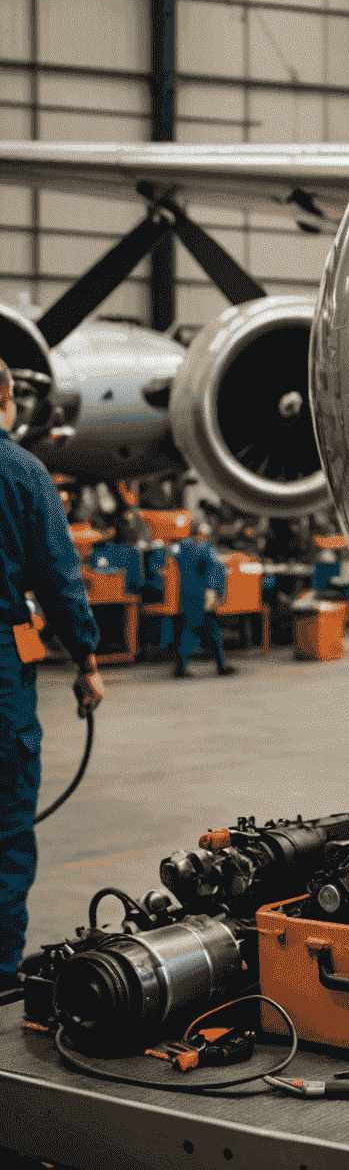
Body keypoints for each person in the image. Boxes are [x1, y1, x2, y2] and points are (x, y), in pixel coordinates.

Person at [0, 360, 102, 994]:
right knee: (7, 821)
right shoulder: (18, 472)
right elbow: (58, 580)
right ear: (6, 398)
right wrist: (85, 661)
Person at [170, 524, 232, 677]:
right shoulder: (206, 549)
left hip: (187, 594)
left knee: (200, 629)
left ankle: (220, 665)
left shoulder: (182, 548)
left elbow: (172, 556)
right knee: (198, 630)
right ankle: (218, 666)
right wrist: (215, 594)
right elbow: (215, 570)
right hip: (202, 594)